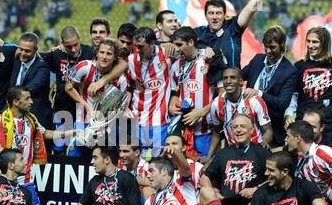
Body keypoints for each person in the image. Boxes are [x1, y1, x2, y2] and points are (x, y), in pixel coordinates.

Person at [0, 86, 75, 184]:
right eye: (27, 99)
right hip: (4, 177)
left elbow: (46, 133)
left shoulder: (31, 120)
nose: (31, 102)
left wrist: (71, 132)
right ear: (16, 102)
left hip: (26, 179)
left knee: (32, 199)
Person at [201, 114, 271, 205]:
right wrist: (214, 191)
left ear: (251, 130)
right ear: (231, 131)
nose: (238, 130)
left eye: (243, 126)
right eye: (235, 127)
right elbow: (206, 176)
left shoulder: (262, 152)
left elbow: (275, 178)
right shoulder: (223, 153)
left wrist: (256, 189)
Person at [65, 38, 131, 160]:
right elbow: (68, 88)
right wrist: (88, 108)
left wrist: (106, 128)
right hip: (82, 122)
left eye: (109, 54)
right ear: (96, 53)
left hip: (103, 127)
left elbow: (115, 110)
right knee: (75, 160)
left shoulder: (120, 80)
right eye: (102, 52)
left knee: (99, 162)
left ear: (115, 57)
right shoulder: (84, 67)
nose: (104, 57)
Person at [168, 26, 226, 158]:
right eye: (174, 45)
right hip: (184, 130)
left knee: (205, 170)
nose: (176, 49)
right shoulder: (176, 65)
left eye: (179, 45)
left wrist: (201, 112)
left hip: (207, 130)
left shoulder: (209, 60)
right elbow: (176, 93)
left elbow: (223, 95)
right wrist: (172, 105)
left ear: (190, 42)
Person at [41, 26, 94, 155]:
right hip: (62, 110)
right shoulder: (56, 54)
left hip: (83, 112)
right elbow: (35, 56)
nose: (73, 49)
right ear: (62, 43)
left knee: (82, 149)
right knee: (59, 148)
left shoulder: (90, 52)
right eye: (69, 46)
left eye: (76, 44)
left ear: (80, 38)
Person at [241, 26, 297, 147]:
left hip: (272, 130)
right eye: (265, 46)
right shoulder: (257, 59)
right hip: (247, 125)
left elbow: (282, 103)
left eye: (272, 47)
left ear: (282, 46)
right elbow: (239, 76)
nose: (267, 51)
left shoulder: (290, 71)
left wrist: (259, 93)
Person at [204, 67, 272, 163]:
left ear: (240, 81)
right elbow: (217, 133)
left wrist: (262, 146)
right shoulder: (217, 104)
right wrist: (208, 157)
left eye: (232, 77)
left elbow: (268, 130)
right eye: (225, 78)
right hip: (233, 152)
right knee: (205, 171)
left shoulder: (254, 100)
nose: (228, 81)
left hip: (255, 150)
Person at [195, 0, 269, 67]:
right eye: (211, 13)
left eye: (218, 13)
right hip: (206, 80)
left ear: (224, 16)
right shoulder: (198, 33)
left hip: (232, 79)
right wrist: (203, 51)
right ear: (206, 16)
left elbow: (255, 2)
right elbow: (180, 44)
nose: (214, 17)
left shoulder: (233, 28)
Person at [128, 27, 173, 156]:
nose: (137, 49)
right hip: (137, 119)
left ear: (152, 44)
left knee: (157, 161)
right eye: (135, 46)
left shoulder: (166, 53)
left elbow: (190, 50)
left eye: (141, 46)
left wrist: (207, 51)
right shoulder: (131, 60)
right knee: (137, 161)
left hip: (159, 120)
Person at [284, 26, 332, 144]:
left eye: (315, 42)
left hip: (328, 126)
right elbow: (294, 95)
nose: (310, 46)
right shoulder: (299, 66)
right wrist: (289, 114)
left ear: (324, 43)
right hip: (303, 125)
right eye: (308, 41)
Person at [10, 32, 52, 131]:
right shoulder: (16, 61)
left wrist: (11, 97)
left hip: (37, 118)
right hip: (17, 117)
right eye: (21, 49)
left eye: (27, 51)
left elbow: (29, 89)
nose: (23, 53)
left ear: (36, 50)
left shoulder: (42, 67)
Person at [285, 121, 332, 205]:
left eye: (288, 136)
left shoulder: (321, 153)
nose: (285, 139)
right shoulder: (300, 164)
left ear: (298, 138)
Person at [118, 137, 153, 204]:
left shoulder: (147, 168)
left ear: (137, 152)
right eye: (120, 151)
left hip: (140, 203)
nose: (121, 155)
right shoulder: (118, 165)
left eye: (125, 151)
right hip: (123, 202)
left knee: (147, 189)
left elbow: (155, 185)